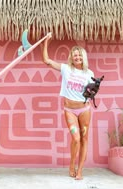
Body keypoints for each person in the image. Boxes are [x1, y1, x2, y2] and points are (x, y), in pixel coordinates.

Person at [42, 33, 94, 180]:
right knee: (76, 139)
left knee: (84, 139)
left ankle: (80, 171)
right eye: (75, 55)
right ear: (72, 57)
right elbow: (46, 61)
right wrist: (46, 42)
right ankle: (72, 164)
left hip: (85, 109)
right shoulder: (66, 68)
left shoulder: (90, 74)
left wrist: (94, 90)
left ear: (83, 57)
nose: (77, 58)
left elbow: (90, 93)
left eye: (79, 55)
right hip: (70, 110)